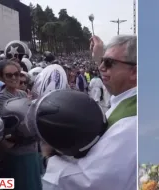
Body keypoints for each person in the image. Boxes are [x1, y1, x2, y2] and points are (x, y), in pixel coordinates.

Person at [41, 35, 137, 190]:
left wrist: (49, 158)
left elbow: (90, 182)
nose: (101, 68)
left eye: (109, 63)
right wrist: (100, 57)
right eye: (102, 62)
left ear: (134, 72)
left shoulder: (129, 123)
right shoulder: (126, 99)